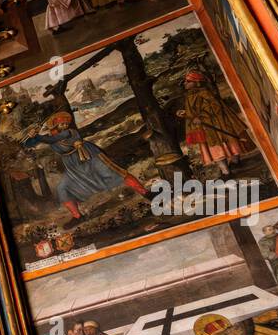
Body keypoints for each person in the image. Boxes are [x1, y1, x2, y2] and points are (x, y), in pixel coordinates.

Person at [22, 111, 151, 222]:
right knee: (63, 188)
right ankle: (78, 217)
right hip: (72, 165)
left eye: (66, 124)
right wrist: (31, 135)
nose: (65, 126)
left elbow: (51, 140)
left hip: (90, 156)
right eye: (62, 124)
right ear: (55, 125)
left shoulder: (69, 132)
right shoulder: (49, 137)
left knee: (116, 173)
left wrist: (37, 136)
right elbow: (28, 144)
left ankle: (146, 193)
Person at [179, 71, 248, 174]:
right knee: (214, 149)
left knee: (226, 144)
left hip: (216, 123)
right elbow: (193, 111)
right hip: (203, 127)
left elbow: (215, 106)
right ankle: (226, 171)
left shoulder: (204, 92)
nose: (185, 83)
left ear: (197, 82)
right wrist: (186, 113)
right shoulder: (189, 95)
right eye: (185, 81)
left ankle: (234, 164)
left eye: (188, 81)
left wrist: (201, 117)